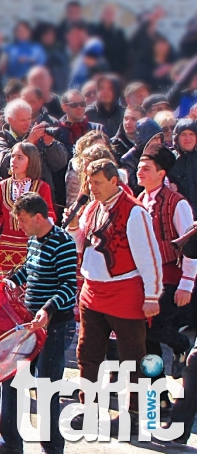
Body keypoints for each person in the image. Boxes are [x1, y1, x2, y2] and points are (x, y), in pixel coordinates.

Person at [68, 158, 162, 423]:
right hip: (92, 292)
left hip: (125, 292)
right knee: (87, 353)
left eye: (96, 182)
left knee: (132, 357)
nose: (91, 187)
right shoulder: (91, 208)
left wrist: (152, 296)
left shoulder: (135, 212)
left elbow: (149, 257)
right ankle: (89, 409)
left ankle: (134, 414)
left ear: (114, 181)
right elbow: (82, 245)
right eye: (89, 181)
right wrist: (74, 225)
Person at [0, 192, 78, 454]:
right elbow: (28, 269)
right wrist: (10, 282)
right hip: (30, 323)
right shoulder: (34, 240)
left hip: (55, 325)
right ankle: (10, 443)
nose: (20, 227)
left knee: (46, 387)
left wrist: (48, 310)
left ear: (38, 217)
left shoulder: (64, 243)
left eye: (23, 221)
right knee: (12, 378)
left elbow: (70, 286)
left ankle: (52, 447)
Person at [136, 142, 195, 387]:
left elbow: (191, 245)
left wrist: (187, 284)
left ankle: (181, 344)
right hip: (145, 278)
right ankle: (157, 391)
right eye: (139, 167)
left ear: (161, 174)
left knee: (155, 328)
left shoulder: (176, 202)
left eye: (146, 168)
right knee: (143, 336)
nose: (140, 172)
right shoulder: (139, 199)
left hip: (170, 276)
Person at [0, 142, 56, 279]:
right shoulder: (2, 186)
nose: (14, 161)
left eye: (20, 157)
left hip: (32, 248)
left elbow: (48, 218)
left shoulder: (42, 187)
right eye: (12, 156)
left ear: (31, 161)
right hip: (6, 250)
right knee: (5, 294)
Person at [53, 89, 105, 154]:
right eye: (74, 105)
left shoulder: (98, 129)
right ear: (64, 107)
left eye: (82, 104)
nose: (79, 107)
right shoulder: (56, 131)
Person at [170, 117, 197, 216]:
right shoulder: (169, 159)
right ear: (176, 138)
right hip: (181, 216)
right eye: (183, 135)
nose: (188, 139)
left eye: (191, 134)